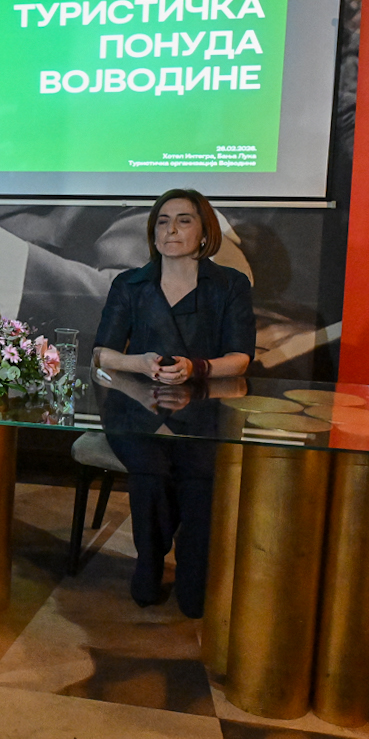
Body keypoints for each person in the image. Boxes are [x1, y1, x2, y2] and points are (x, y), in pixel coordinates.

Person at [93, 188, 255, 617]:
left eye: (184, 220)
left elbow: (240, 359)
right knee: (151, 469)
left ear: (205, 232)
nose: (171, 230)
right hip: (136, 407)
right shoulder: (129, 284)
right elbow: (102, 354)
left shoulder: (230, 285)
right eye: (163, 221)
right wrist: (140, 362)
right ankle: (149, 561)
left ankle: (193, 571)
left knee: (200, 474)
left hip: (204, 408)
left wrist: (196, 367)